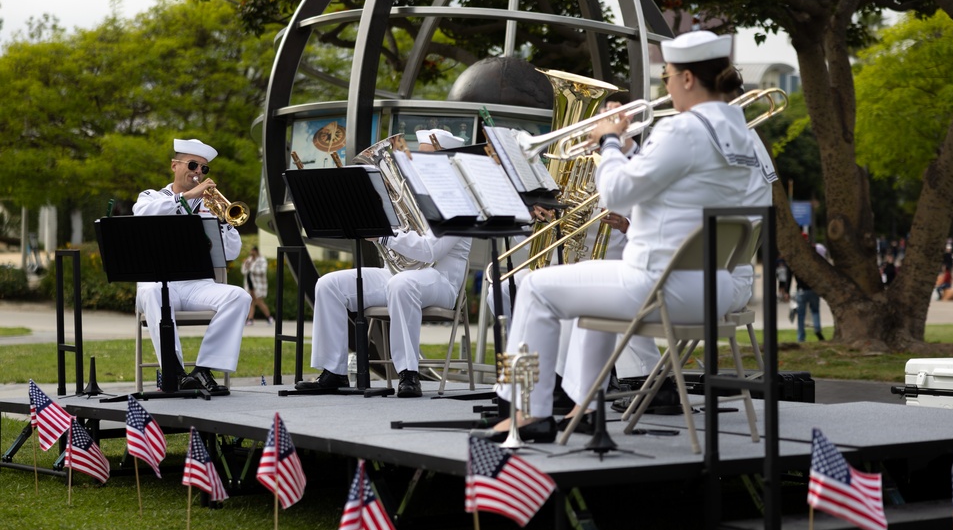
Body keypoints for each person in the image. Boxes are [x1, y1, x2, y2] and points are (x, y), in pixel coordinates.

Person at [473, 30, 773, 442]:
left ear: (687, 80)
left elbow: (615, 191)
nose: (663, 86)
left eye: (666, 76)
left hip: (660, 286)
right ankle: (584, 409)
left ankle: (525, 410)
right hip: (715, 288)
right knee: (590, 291)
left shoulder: (682, 130)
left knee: (531, 287)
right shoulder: (745, 136)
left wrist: (609, 142)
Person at [297, 129, 472, 397]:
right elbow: (394, 236)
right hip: (397, 273)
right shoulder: (411, 194)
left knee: (402, 284)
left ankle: (408, 373)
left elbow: (429, 251)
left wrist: (384, 235)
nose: (415, 164)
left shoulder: (460, 200)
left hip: (441, 281)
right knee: (328, 284)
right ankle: (333, 371)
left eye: (427, 158)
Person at [133, 138, 251, 395]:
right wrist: (187, 197)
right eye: (193, 165)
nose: (198, 172)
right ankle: (174, 372)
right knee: (155, 293)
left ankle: (204, 369)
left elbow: (232, 252)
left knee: (239, 297)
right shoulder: (152, 197)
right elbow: (141, 215)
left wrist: (224, 221)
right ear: (174, 166)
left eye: (204, 169)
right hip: (159, 282)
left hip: (198, 284)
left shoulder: (210, 206)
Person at [241, 246, 274, 325]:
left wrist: (251, 267)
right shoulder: (249, 259)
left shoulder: (262, 260)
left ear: (256, 251)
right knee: (251, 302)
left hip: (258, 285)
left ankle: (269, 317)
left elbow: (262, 271)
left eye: (253, 252)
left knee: (259, 301)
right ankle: (250, 319)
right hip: (249, 284)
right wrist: (246, 265)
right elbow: (243, 271)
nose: (251, 253)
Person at [793, 269, 824, 342]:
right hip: (813, 289)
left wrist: (786, 291)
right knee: (815, 311)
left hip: (801, 290)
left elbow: (789, 276)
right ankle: (817, 328)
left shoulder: (796, 265)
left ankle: (801, 337)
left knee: (801, 315)